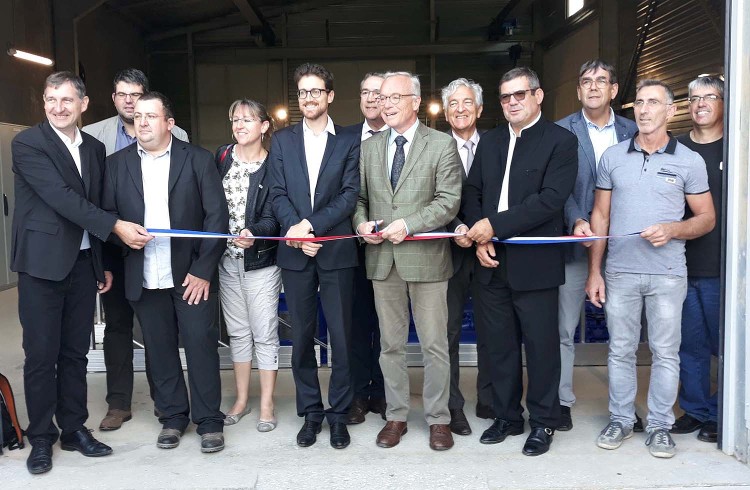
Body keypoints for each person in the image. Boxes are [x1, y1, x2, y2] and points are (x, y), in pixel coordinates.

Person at [12, 71, 149, 474]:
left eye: (67, 100)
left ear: (84, 105)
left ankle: (73, 429)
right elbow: (63, 199)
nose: (58, 107)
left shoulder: (92, 148)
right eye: (51, 99)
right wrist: (116, 227)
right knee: (41, 355)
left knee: (74, 352)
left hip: (81, 263)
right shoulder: (28, 144)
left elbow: (96, 202)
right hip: (41, 264)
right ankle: (41, 437)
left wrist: (100, 262)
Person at [587, 79, 715, 459]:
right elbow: (600, 215)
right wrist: (596, 270)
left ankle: (660, 424)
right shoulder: (612, 157)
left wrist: (675, 229)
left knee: (665, 352)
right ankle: (622, 419)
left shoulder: (689, 161)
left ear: (670, 111)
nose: (643, 110)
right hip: (621, 271)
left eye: (652, 103)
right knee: (621, 349)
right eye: (639, 103)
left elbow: (706, 218)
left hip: (667, 273)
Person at [101, 92, 229, 453]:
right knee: (159, 350)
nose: (142, 122)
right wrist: (124, 239)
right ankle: (172, 417)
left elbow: (217, 219)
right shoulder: (116, 165)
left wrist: (203, 270)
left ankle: (208, 421)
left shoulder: (199, 160)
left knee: (201, 346)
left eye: (151, 116)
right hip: (143, 273)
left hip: (191, 275)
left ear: (169, 123)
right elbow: (108, 217)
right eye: (138, 116)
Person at [461, 66, 578, 456]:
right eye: (506, 96)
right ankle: (507, 416)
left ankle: (544, 422)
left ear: (538, 96)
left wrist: (492, 226)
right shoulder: (491, 141)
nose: (512, 102)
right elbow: (472, 190)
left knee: (541, 347)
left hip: (535, 263)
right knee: (499, 347)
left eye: (520, 95)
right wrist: (480, 238)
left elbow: (549, 201)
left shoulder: (561, 141)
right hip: (490, 261)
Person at [353, 71, 462, 451]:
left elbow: (449, 201)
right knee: (390, 346)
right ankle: (396, 415)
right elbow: (360, 199)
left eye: (395, 97)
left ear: (416, 101)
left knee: (434, 345)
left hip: (428, 261)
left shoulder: (441, 144)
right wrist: (360, 223)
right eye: (382, 98)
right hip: (383, 261)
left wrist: (410, 224)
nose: (387, 104)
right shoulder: (369, 147)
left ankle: (438, 419)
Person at [82, 68, 189, 431]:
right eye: (122, 94)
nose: (130, 101)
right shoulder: (93, 138)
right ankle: (118, 403)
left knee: (160, 329)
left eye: (136, 94)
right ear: (113, 99)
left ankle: (165, 401)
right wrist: (101, 260)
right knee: (117, 327)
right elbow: (91, 204)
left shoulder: (177, 134)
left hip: (159, 253)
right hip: (114, 249)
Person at [267, 63, 360, 449]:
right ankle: (311, 412)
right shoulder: (283, 141)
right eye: (303, 92)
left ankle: (339, 413)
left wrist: (310, 227)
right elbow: (275, 192)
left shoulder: (348, 141)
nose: (309, 98)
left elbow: (349, 195)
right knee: (302, 338)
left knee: (341, 337)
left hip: (335, 251)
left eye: (316, 91)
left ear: (330, 96)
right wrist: (296, 231)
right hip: (295, 253)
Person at [554, 60, 637, 431]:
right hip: (576, 242)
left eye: (601, 81)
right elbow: (558, 189)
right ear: (578, 90)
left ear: (614, 90)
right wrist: (576, 219)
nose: (592, 87)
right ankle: (561, 401)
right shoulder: (560, 132)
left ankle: (624, 410)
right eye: (585, 81)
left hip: (624, 245)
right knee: (564, 328)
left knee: (624, 334)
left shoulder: (634, 131)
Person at [215, 99, 281, 432]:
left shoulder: (273, 166)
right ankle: (241, 400)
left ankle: (267, 403)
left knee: (265, 334)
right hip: (226, 262)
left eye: (247, 120)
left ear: (264, 126)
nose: (239, 126)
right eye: (235, 119)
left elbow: (275, 215)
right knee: (238, 333)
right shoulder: (223, 157)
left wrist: (255, 233)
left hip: (261, 262)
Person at [669, 76, 724, 444]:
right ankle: (695, 410)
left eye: (709, 96)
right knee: (689, 344)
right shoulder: (676, 149)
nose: (700, 103)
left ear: (723, 102)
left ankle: (723, 412)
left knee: (728, 345)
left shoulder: (737, 149)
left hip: (725, 267)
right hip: (682, 263)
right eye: (694, 97)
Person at [440, 77, 495, 434]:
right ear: (445, 112)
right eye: (453, 104)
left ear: (478, 108)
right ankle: (452, 406)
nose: (460, 109)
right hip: (448, 252)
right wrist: (460, 228)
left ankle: (490, 399)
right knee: (448, 333)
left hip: (490, 249)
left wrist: (482, 234)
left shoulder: (496, 144)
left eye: (466, 103)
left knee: (494, 329)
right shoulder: (433, 146)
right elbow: (432, 197)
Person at [343, 72, 388, 425]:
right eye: (366, 92)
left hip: (395, 248)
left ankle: (387, 392)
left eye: (379, 92)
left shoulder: (402, 138)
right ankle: (359, 392)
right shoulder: (344, 139)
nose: (372, 98)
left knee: (391, 326)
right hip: (353, 250)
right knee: (356, 325)